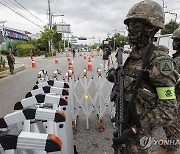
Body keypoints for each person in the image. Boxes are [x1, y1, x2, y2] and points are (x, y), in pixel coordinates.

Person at [111, 1, 179, 154]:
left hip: (137, 137)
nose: (129, 30)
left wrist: (136, 129)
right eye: (128, 25)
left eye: (135, 24)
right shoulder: (135, 57)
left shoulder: (159, 62)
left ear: (151, 27)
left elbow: (168, 110)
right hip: (124, 125)